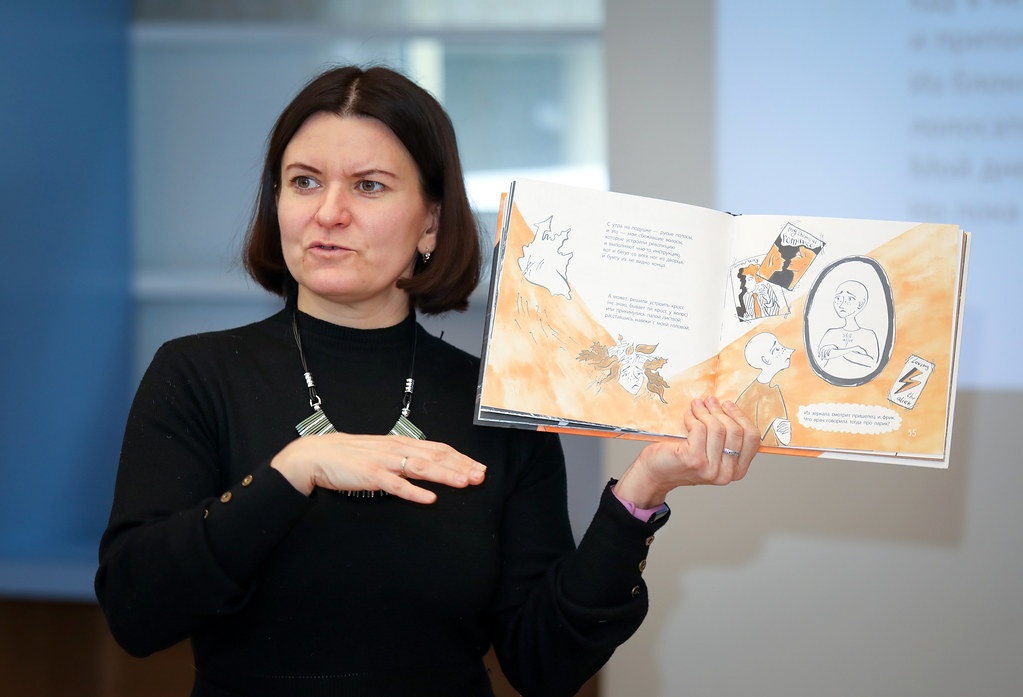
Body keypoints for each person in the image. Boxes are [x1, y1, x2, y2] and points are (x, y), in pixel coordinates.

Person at [95, 65, 760, 697]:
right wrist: (293, 470)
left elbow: (545, 665)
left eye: (369, 186)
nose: (329, 212)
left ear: (431, 223)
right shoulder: (195, 374)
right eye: (304, 181)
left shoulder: (499, 399)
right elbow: (136, 611)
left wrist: (643, 492)